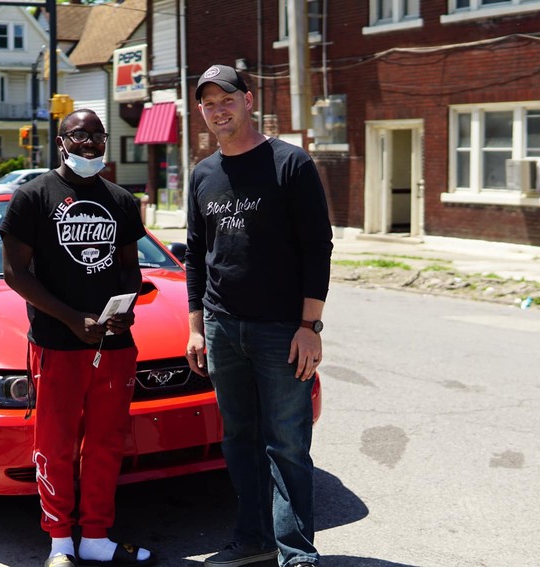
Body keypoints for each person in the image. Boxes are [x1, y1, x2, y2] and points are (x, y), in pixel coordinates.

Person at [184, 64, 333, 567]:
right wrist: (196, 328)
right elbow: (197, 253)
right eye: (207, 103)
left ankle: (297, 553)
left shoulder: (290, 164)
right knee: (238, 441)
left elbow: (318, 247)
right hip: (223, 328)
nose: (217, 110)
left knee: (287, 444)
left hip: (280, 330)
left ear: (248, 100)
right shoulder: (203, 173)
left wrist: (309, 327)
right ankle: (253, 539)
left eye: (225, 98)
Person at [0, 109, 156, 567]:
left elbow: (130, 266)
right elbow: (15, 273)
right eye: (80, 136)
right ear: (61, 142)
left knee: (107, 442)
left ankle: (96, 538)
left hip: (113, 345)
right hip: (57, 342)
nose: (90, 145)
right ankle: (60, 542)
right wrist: (69, 318)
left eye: (97, 137)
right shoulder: (32, 197)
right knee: (55, 442)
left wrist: (123, 310)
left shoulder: (121, 200)